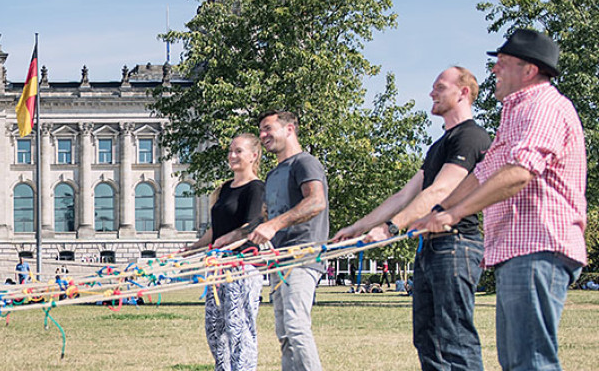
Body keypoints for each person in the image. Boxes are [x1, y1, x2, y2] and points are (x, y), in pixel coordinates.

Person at [414, 29, 588, 371]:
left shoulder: (543, 106)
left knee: (531, 361)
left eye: (503, 63)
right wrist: (438, 211)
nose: (494, 71)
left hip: (540, 246)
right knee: (516, 362)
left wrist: (454, 215)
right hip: (517, 250)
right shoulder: (515, 113)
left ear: (529, 71)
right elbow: (483, 173)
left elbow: (520, 171)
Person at [337, 66, 491, 369]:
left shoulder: (472, 137)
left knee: (455, 339)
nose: (431, 93)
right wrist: (359, 227)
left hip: (456, 246)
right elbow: (403, 196)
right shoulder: (438, 146)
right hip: (430, 249)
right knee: (426, 339)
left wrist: (392, 228)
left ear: (463, 92)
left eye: (440, 86)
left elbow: (441, 191)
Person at [245, 110, 330, 371]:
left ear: (290, 129)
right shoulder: (272, 175)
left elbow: (316, 201)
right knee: (285, 335)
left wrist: (274, 224)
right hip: (278, 261)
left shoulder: (304, 163)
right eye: (261, 130)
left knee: (296, 327)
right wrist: (225, 238)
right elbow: (265, 219)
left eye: (268, 129)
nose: (263, 135)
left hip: (302, 257)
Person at [186, 134, 266, 371]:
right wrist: (193, 248)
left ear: (254, 155)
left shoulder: (256, 189)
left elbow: (252, 225)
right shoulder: (223, 190)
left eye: (238, 151)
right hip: (217, 269)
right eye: (230, 151)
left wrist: (228, 241)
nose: (231, 156)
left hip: (242, 268)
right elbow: (215, 229)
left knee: (239, 329)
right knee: (214, 329)